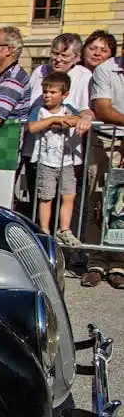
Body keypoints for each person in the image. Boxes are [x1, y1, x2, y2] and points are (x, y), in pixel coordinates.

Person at [81, 54, 124, 288]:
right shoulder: (106, 70)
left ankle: (119, 264)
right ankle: (95, 263)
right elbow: (104, 110)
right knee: (97, 201)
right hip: (106, 139)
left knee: (122, 207)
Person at [26, 72, 83, 246]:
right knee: (46, 197)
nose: (47, 96)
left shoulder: (69, 109)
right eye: (45, 92)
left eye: (52, 92)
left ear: (64, 95)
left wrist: (67, 119)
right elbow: (33, 127)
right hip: (46, 161)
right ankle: (44, 230)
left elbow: (76, 120)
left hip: (66, 161)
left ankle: (64, 229)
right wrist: (54, 120)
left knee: (69, 195)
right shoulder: (39, 110)